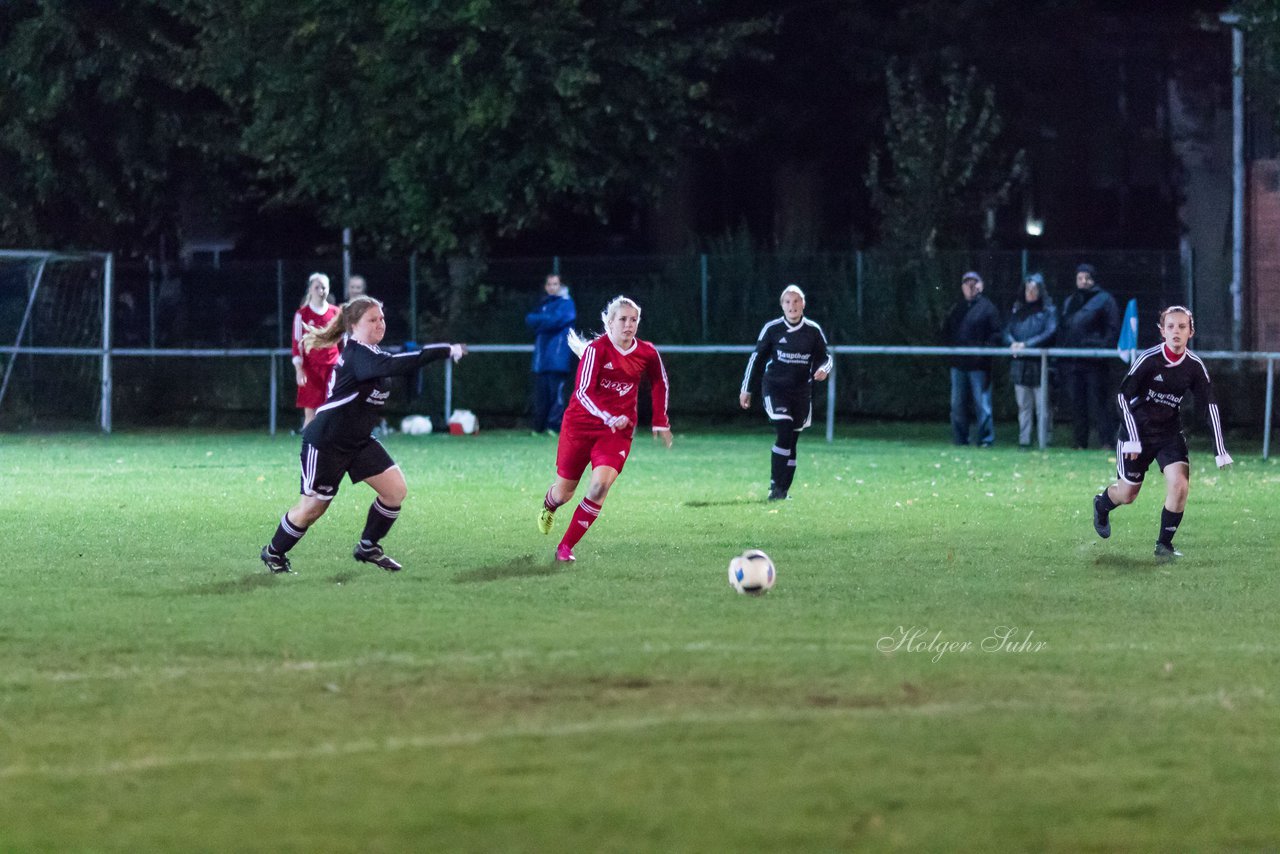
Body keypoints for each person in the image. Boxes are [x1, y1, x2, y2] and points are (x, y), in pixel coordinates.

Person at [260, 296, 467, 574]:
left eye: (382, 318)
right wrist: (443, 350)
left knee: (395, 491)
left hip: (358, 442)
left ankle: (368, 546)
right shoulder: (358, 355)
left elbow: (390, 363)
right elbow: (396, 365)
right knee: (312, 509)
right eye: (372, 319)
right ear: (354, 325)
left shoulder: (373, 354)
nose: (380, 323)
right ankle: (273, 553)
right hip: (326, 443)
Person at [535, 296, 672, 562]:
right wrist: (607, 416)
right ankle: (549, 506)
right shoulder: (596, 351)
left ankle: (565, 547)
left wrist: (660, 420)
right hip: (580, 426)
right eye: (623, 319)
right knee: (564, 493)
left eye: (634, 320)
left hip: (616, 433)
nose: (629, 325)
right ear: (610, 322)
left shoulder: (647, 352)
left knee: (599, 487)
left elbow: (659, 382)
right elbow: (583, 392)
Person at [1091, 306, 1232, 561]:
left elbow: (1209, 403)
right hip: (1137, 434)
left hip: (1169, 433)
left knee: (1180, 485)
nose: (1176, 331)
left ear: (1191, 332)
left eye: (1181, 327)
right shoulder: (1149, 359)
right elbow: (1122, 396)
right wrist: (1132, 437)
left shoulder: (1194, 366)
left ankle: (1163, 546)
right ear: (1162, 331)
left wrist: (1220, 449)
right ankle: (1102, 504)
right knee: (1128, 494)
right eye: (1170, 327)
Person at [739, 284, 832, 500]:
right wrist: (746, 389)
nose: (792, 306)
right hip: (775, 389)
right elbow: (757, 359)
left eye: (796, 301)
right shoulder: (772, 329)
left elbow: (826, 357)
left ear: (803, 304)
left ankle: (783, 491)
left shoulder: (813, 331)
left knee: (793, 439)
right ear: (782, 306)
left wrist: (823, 370)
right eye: (788, 302)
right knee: (784, 431)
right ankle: (775, 488)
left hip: (801, 392)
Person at [1059, 263, 1120, 449]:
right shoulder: (1071, 301)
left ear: (1093, 279)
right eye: (1079, 278)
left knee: (1099, 403)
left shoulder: (1104, 300)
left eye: (1086, 277)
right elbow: (1064, 328)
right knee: (1077, 404)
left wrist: (1100, 349)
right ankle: (1079, 443)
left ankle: (1106, 442)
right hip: (1074, 362)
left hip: (1095, 362)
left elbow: (1112, 328)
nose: (1083, 281)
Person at [943, 271, 1001, 447]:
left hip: (979, 366)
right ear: (962, 287)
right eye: (966, 283)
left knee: (982, 405)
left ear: (980, 286)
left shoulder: (988, 308)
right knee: (957, 406)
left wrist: (983, 353)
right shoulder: (957, 309)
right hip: (958, 365)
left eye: (973, 283)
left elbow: (997, 334)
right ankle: (960, 440)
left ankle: (985, 440)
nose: (970, 286)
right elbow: (946, 331)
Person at [1004, 272, 1058, 448]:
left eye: (1034, 289)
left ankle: (1044, 440)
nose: (1030, 292)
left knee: (1043, 407)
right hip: (1020, 365)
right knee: (1023, 406)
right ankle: (1024, 441)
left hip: (1041, 365)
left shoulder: (1049, 311)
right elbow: (1006, 330)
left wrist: (1026, 345)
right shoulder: (1017, 310)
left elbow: (1050, 332)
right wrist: (1013, 344)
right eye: (1028, 289)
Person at [525, 273, 577, 435]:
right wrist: (545, 320)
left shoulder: (567, 304)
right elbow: (529, 319)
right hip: (542, 360)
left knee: (557, 396)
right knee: (541, 396)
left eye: (555, 284)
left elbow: (557, 320)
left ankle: (554, 427)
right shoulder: (543, 304)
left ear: (560, 286)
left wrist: (542, 321)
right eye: (549, 284)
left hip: (558, 358)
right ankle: (539, 428)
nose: (552, 287)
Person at [292, 272, 342, 427]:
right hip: (311, 370)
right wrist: (299, 369)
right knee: (311, 413)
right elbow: (297, 343)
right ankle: (309, 448)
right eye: (317, 287)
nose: (321, 291)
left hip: (332, 368)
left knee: (333, 410)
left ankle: (332, 448)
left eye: (324, 287)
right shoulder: (302, 314)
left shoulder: (336, 313)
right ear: (310, 290)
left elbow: (342, 341)